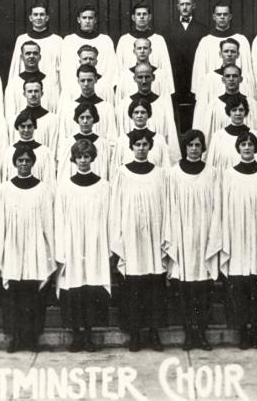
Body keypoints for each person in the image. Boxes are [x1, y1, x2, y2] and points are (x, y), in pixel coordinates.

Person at [0, 145, 56, 352]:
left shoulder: (43, 189)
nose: (24, 164)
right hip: (13, 247)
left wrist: (48, 249)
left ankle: (32, 337)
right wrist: (0, 246)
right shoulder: (4, 189)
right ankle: (15, 337)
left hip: (35, 247)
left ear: (33, 163)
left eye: (28, 161)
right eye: (20, 160)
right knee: (13, 295)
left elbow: (48, 222)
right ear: (15, 163)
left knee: (34, 294)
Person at [162, 130, 222, 350]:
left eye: (198, 145)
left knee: (204, 289)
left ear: (203, 147)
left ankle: (201, 333)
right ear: (185, 147)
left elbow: (217, 206)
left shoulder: (212, 173)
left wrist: (213, 234)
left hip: (204, 235)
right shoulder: (173, 173)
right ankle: (189, 332)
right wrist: (173, 236)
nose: (194, 149)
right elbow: (169, 206)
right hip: (182, 236)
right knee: (185, 289)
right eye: (190, 145)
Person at [220, 132, 257, 350]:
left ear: (256, 148)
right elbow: (223, 209)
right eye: (243, 144)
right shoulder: (228, 175)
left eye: (250, 144)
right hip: (237, 236)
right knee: (239, 286)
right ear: (238, 148)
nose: (247, 147)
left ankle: (256, 330)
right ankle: (242, 331)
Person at [110, 130, 167, 352]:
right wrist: (119, 236)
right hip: (131, 238)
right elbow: (116, 206)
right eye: (137, 144)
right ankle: (134, 333)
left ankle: (153, 333)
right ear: (131, 147)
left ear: (150, 147)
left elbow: (164, 205)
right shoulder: (122, 173)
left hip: (152, 237)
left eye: (145, 144)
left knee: (153, 285)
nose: (141, 148)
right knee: (133, 286)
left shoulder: (159, 174)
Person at [54, 139, 111, 352]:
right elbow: (59, 219)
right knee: (74, 289)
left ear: (92, 158)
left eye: (87, 156)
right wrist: (61, 249)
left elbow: (109, 218)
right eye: (79, 157)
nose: (83, 161)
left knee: (91, 289)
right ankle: (76, 335)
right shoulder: (65, 187)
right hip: (72, 245)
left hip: (95, 245)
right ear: (74, 159)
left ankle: (89, 334)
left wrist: (107, 247)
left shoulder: (103, 186)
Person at [114, 63, 179, 158]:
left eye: (147, 77)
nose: (144, 81)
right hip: (131, 158)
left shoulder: (162, 105)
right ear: (134, 79)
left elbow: (171, 134)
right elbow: (121, 134)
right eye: (140, 77)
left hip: (156, 157)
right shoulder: (124, 105)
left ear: (153, 77)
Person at [165, 0, 207, 131]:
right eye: (182, 4)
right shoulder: (168, 30)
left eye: (188, 4)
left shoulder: (203, 30)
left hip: (195, 79)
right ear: (177, 6)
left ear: (193, 6)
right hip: (176, 81)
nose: (184, 7)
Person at [192, 64, 257, 145]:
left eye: (235, 76)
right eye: (228, 76)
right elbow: (208, 136)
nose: (231, 79)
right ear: (223, 79)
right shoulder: (214, 106)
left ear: (241, 79)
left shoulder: (251, 103)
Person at [190, 3, 252, 93]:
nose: (222, 17)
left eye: (225, 14)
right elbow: (199, 73)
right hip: (212, 91)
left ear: (230, 16)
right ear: (214, 17)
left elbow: (247, 72)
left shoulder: (241, 40)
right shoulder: (206, 42)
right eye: (219, 14)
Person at [59, 5, 118, 94]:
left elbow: (111, 69)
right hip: (76, 91)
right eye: (84, 18)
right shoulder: (69, 41)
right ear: (78, 19)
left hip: (100, 91)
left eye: (90, 18)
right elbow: (66, 71)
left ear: (95, 20)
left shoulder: (105, 41)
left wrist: (101, 88)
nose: (87, 21)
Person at [6, 3, 62, 92]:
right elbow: (15, 67)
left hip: (51, 89)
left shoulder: (57, 41)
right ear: (30, 18)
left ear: (47, 18)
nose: (38, 18)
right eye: (35, 15)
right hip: (27, 89)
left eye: (42, 14)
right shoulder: (22, 39)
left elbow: (62, 70)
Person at [55, 101, 114, 182]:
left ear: (94, 119)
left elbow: (109, 173)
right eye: (82, 117)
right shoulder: (67, 143)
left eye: (88, 117)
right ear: (77, 120)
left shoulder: (104, 144)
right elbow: (63, 173)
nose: (85, 121)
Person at [4, 41, 60, 123]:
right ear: (21, 57)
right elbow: (10, 115)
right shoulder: (13, 84)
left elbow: (55, 110)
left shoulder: (50, 82)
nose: (31, 56)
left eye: (35, 53)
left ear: (40, 57)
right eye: (28, 53)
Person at [194, 37, 257, 106]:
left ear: (238, 55)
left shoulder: (246, 78)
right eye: (226, 51)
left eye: (233, 51)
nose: (229, 54)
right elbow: (201, 109)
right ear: (220, 54)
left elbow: (251, 106)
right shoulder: (209, 79)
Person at [116, 3, 172, 79]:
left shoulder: (159, 40)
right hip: (130, 84)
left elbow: (166, 68)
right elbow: (118, 68)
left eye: (144, 14)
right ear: (133, 17)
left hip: (154, 84)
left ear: (149, 17)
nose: (141, 17)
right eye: (138, 14)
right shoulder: (124, 40)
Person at [207, 98, 257, 175]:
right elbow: (211, 166)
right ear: (229, 112)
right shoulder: (218, 136)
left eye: (241, 110)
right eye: (234, 110)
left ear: (245, 112)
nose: (238, 113)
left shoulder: (255, 135)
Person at [1, 110, 52, 183]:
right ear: (17, 127)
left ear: (34, 127)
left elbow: (49, 181)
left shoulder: (45, 152)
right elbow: (5, 180)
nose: (26, 130)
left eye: (29, 126)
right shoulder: (9, 152)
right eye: (22, 126)